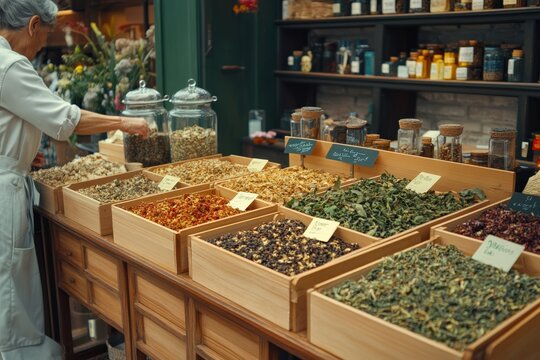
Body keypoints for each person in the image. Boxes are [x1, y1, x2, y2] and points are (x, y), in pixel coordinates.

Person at [0, 1, 149, 358]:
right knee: (11, 305)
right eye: (45, 36)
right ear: (34, 24)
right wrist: (124, 122)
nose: (41, 47)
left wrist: (17, 152)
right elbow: (66, 119)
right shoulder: (11, 65)